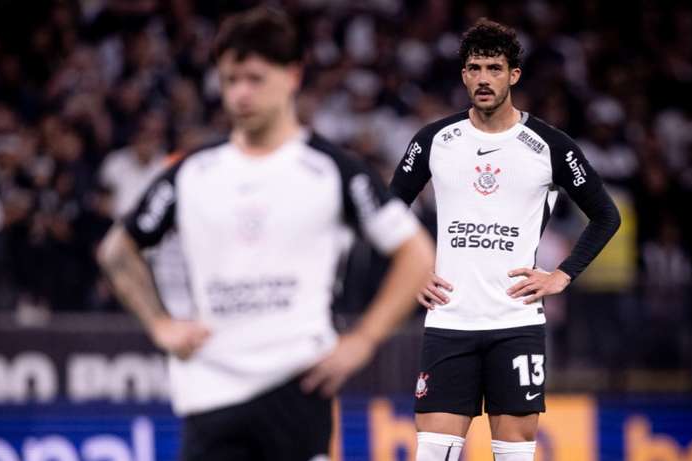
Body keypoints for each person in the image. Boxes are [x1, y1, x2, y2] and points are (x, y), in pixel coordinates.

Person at [97, 7, 434, 461]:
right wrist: (160, 325)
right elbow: (117, 250)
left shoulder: (332, 170)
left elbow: (416, 255)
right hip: (210, 392)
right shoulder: (192, 173)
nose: (240, 93)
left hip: (297, 387)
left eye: (255, 79)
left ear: (292, 75)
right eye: (230, 80)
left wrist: (364, 340)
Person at [389, 19, 621, 461]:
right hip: (449, 321)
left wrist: (562, 275)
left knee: (514, 453)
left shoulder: (550, 146)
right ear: (463, 74)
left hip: (516, 324)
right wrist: (411, 272)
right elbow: (387, 212)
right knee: (432, 452)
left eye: (494, 68)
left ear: (514, 74)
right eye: (475, 68)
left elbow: (606, 215)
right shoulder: (435, 140)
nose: (484, 78)